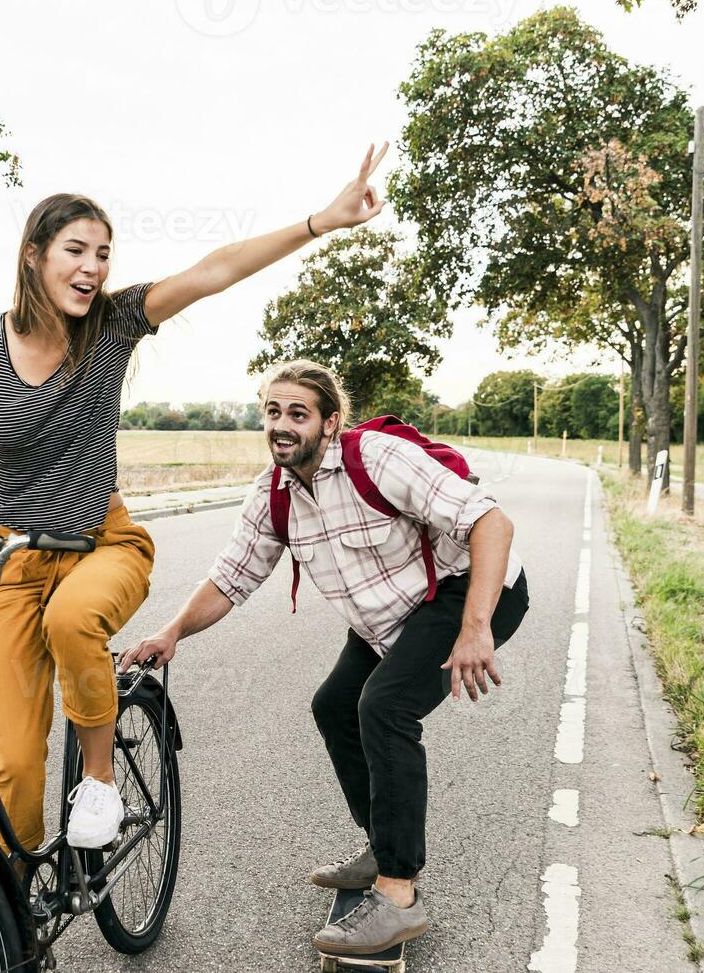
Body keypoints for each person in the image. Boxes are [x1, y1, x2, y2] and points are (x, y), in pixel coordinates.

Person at [0, 144, 390, 858]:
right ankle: (14, 923)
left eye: (103, 254)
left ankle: (100, 781)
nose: (93, 267)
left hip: (103, 544)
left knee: (76, 621)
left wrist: (321, 222)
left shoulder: (111, 325)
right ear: (35, 256)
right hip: (15, 558)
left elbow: (213, 272)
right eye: (76, 250)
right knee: (14, 766)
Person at [117, 360, 529, 955]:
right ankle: (382, 843)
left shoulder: (378, 458)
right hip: (394, 614)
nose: (282, 426)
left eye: (298, 414)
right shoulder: (273, 494)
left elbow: (492, 522)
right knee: (335, 704)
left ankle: (398, 895)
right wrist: (172, 631)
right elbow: (233, 577)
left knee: (385, 708)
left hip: (468, 590)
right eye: (273, 412)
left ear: (330, 423)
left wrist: (475, 628)